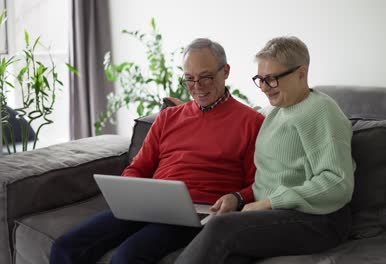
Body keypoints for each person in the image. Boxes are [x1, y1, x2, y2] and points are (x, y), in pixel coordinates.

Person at [49, 38, 264, 264]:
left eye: (206, 77)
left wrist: (237, 197)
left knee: (127, 258)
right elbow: (138, 167)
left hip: (197, 213)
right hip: (148, 206)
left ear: (225, 71)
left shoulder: (251, 122)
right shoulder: (168, 117)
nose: (197, 86)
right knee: (65, 247)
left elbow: (259, 184)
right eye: (189, 79)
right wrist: (130, 192)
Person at [175, 36, 355, 264]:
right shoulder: (271, 113)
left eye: (271, 79)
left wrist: (269, 203)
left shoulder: (321, 111)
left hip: (319, 220)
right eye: (260, 79)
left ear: (302, 73)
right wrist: (237, 199)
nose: (264, 88)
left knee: (221, 227)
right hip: (270, 214)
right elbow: (232, 124)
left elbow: (337, 183)